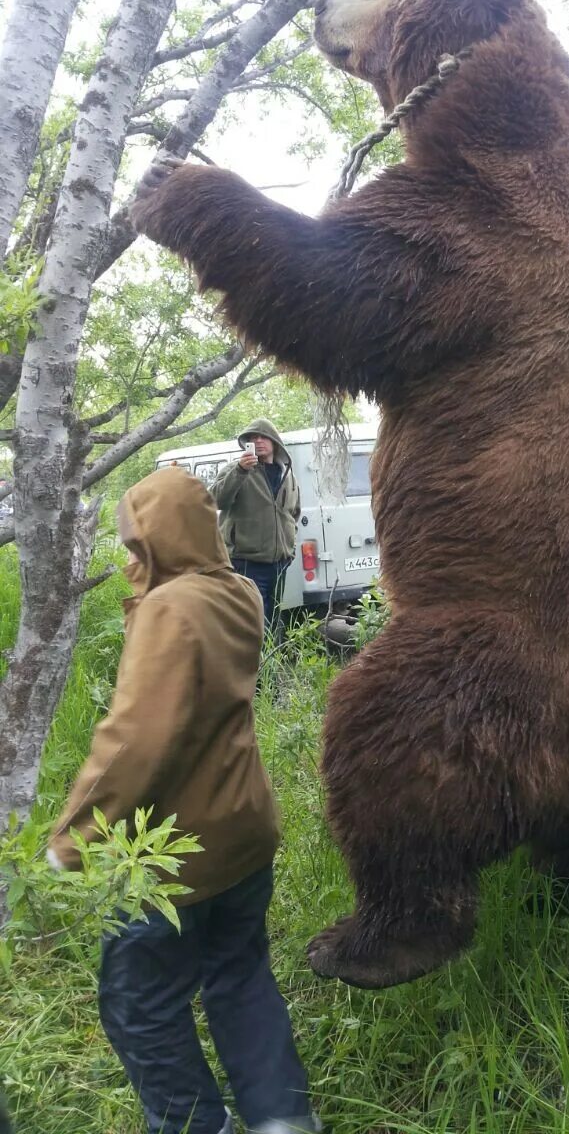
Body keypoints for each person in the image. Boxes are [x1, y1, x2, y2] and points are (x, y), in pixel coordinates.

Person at [47, 467, 319, 1134]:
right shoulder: (237, 593)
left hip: (168, 855)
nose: (130, 553)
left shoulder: (171, 609)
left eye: (135, 539)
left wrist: (71, 840)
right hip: (244, 830)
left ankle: (197, 1125)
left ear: (159, 535)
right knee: (240, 976)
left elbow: (137, 740)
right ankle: (283, 1119)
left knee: (140, 1004)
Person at [211, 419, 301, 632]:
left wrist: (290, 547)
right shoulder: (235, 470)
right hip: (246, 562)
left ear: (275, 442)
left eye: (263, 437)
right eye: (252, 438)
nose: (258, 441)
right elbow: (215, 500)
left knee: (274, 618)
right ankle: (252, 665)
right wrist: (240, 471)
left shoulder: (287, 474)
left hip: (280, 563)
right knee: (252, 622)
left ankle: (271, 663)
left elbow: (293, 513)